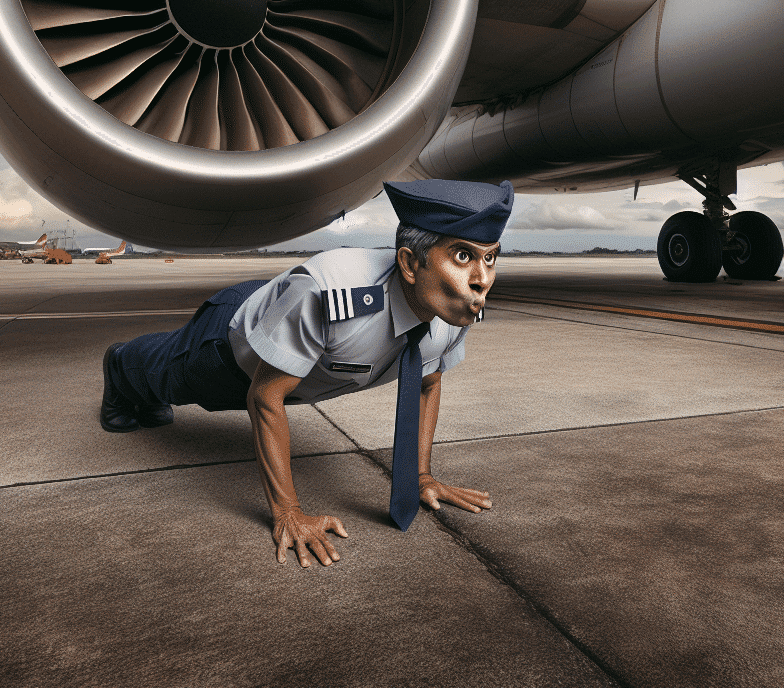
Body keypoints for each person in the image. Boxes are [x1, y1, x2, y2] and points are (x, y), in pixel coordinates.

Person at [100, 178, 513, 567]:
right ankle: (118, 368)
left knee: (173, 386)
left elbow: (428, 382)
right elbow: (264, 396)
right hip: (232, 344)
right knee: (165, 377)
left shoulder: (455, 307)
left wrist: (420, 475)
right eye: (463, 256)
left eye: (490, 257)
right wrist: (288, 512)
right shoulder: (333, 297)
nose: (482, 280)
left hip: (291, 338)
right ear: (409, 263)